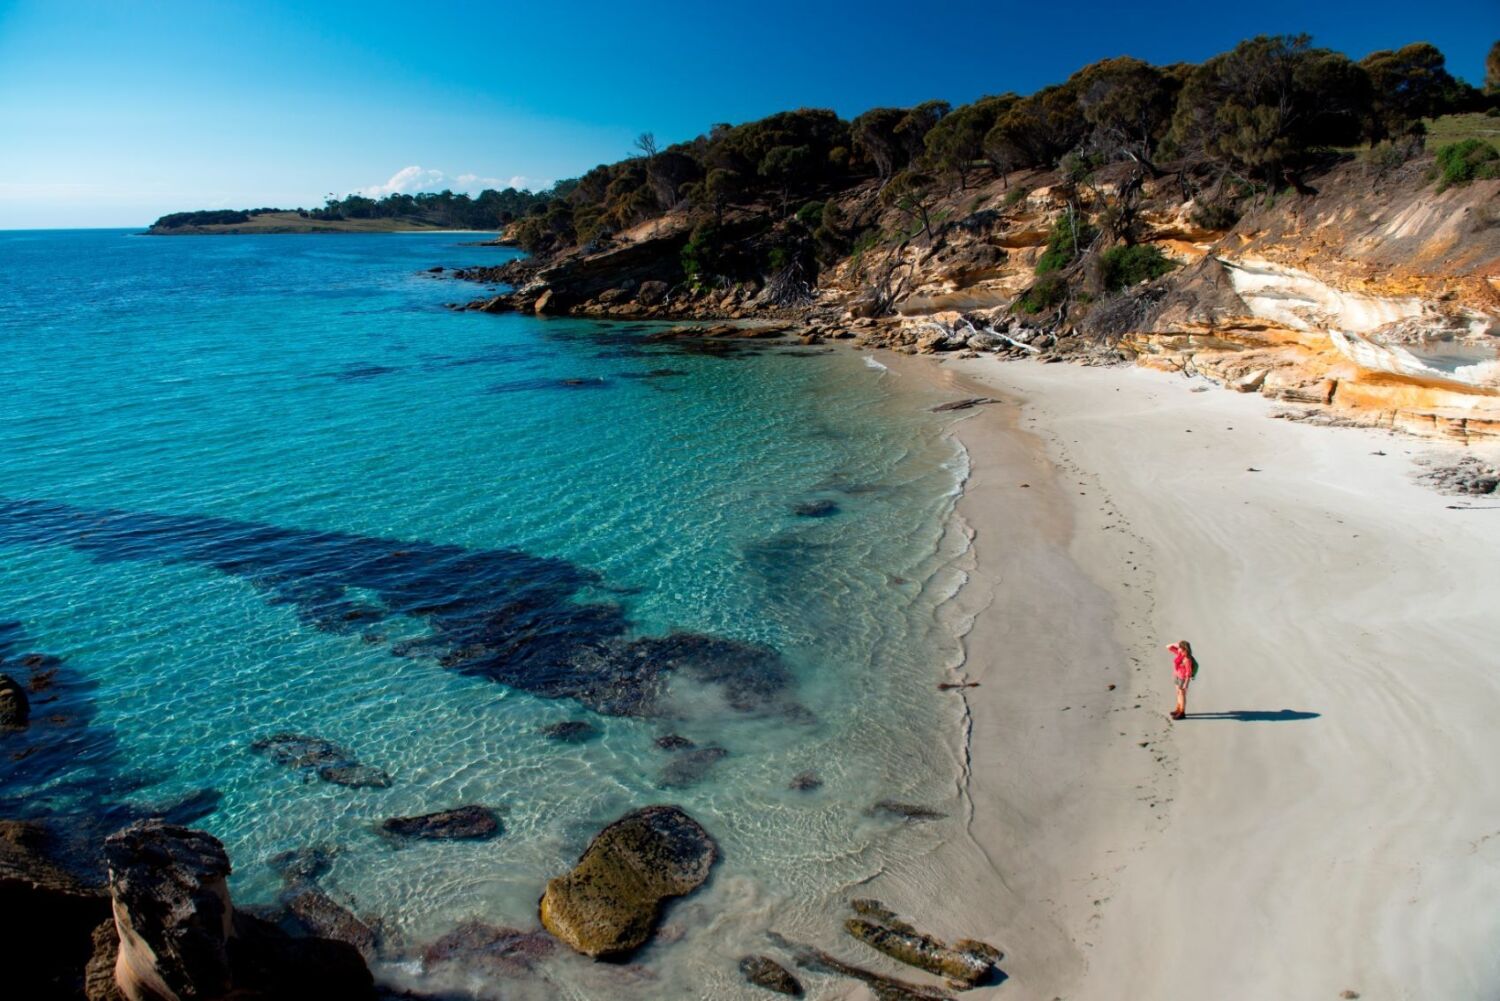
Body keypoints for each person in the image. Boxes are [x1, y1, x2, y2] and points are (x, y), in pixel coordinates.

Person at [1167, 640, 1197, 719]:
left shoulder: (1187, 659)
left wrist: (1186, 684)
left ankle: (1182, 712)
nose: (1178, 648)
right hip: (1177, 676)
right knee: (1178, 693)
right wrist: (1175, 644)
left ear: (1183, 649)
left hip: (1183, 679)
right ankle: (1178, 709)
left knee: (1182, 694)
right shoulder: (1179, 653)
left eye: (1179, 647)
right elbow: (1168, 647)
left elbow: (1188, 673)